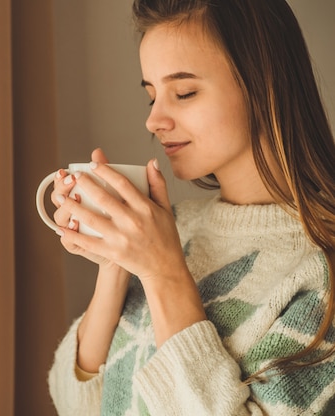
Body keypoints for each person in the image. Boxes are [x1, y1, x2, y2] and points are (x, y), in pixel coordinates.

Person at [46, 0, 335, 414]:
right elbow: (74, 403)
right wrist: (116, 263)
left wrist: (164, 274)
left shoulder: (320, 272)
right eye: (152, 96)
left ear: (264, 84)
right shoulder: (172, 230)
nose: (154, 119)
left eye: (184, 92)